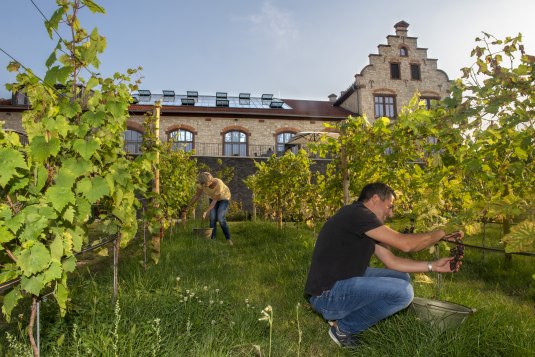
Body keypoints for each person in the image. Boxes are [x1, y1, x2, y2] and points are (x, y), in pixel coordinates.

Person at [304, 182, 463, 348]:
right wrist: (441, 232)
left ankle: (342, 318)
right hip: (326, 295)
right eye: (389, 206)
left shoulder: (361, 221)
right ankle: (343, 329)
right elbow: (405, 244)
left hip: (336, 284)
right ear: (375, 199)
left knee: (401, 278)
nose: (391, 213)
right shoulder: (358, 214)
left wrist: (433, 266)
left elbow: (392, 262)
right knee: (403, 292)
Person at [183, 172, 233, 245]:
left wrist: (206, 211)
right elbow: (197, 196)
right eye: (203, 185)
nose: (204, 186)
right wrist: (188, 206)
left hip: (224, 198)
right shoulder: (202, 183)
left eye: (206, 184)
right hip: (213, 198)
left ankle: (228, 239)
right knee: (212, 218)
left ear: (210, 181)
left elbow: (215, 201)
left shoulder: (219, 184)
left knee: (220, 218)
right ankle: (213, 240)